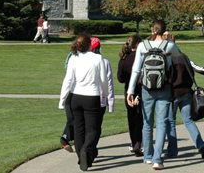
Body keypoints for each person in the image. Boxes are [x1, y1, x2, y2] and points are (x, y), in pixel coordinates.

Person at [126, 20, 180, 171]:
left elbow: (136, 70)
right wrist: (172, 41)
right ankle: (158, 159)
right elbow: (180, 57)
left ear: (152, 30)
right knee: (162, 123)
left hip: (146, 89)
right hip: (164, 88)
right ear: (165, 31)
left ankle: (148, 155)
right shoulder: (169, 46)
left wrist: (130, 91)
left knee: (147, 123)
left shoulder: (142, 46)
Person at [59, 34, 108, 171]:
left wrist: (62, 100)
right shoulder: (97, 58)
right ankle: (85, 151)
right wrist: (105, 94)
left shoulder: (74, 58)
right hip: (92, 96)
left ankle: (81, 157)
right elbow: (103, 80)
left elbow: (68, 80)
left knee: (79, 129)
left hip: (76, 97)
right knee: (93, 129)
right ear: (89, 45)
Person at [167, 33, 204, 160]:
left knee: (170, 122)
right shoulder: (184, 57)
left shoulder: (168, 58)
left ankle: (172, 151)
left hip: (173, 93)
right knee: (188, 121)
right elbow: (191, 74)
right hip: (186, 92)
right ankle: (201, 145)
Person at [117, 34, 144, 157]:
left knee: (132, 118)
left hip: (128, 90)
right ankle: (140, 143)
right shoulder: (142, 57)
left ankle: (135, 143)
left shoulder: (124, 58)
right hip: (141, 89)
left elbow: (120, 78)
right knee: (141, 118)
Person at [91, 37, 115, 158]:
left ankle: (89, 147)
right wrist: (110, 103)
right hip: (100, 99)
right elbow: (109, 84)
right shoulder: (104, 62)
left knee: (88, 125)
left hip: (87, 98)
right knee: (96, 126)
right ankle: (92, 146)